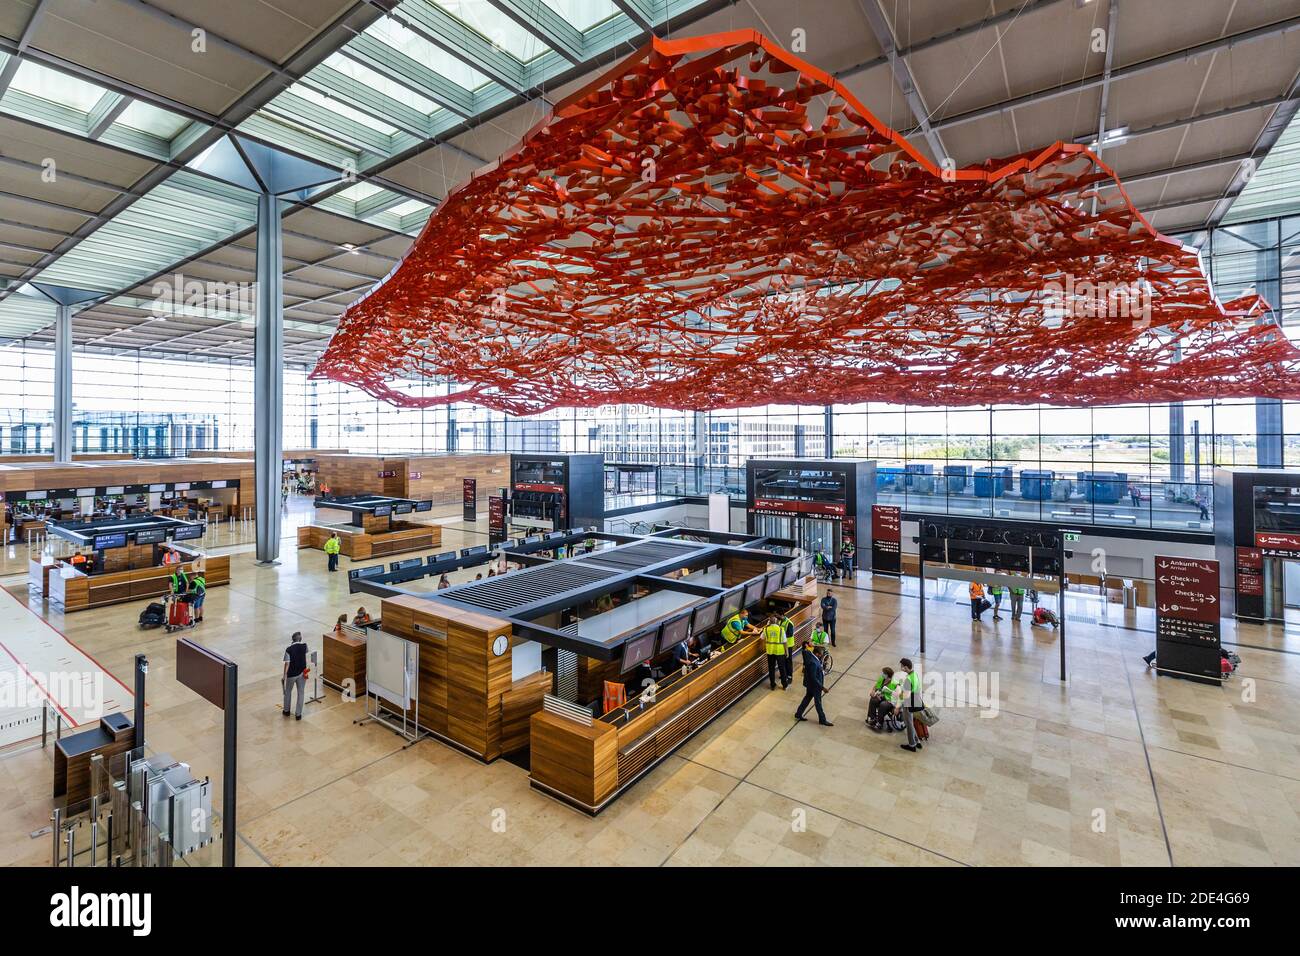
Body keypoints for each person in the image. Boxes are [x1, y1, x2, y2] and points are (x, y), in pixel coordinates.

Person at [794, 639, 832, 726]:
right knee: (818, 702)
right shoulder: (813, 663)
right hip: (815, 686)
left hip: (810, 685)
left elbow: (804, 650)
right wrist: (822, 687)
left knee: (807, 698)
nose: (821, 657)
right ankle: (822, 719)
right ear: (817, 654)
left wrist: (806, 645)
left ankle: (799, 713)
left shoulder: (809, 655)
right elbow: (813, 677)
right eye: (821, 655)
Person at [896, 658, 924, 752]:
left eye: (902, 667)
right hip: (915, 700)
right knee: (911, 722)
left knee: (909, 724)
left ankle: (912, 745)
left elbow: (905, 695)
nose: (901, 668)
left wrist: (899, 693)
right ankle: (917, 741)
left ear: (906, 667)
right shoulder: (914, 674)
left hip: (908, 703)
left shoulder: (908, 679)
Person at [282, 631, 308, 720]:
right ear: (300, 639)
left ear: (292, 639)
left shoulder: (288, 649)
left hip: (292, 674)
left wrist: (284, 676)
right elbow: (305, 652)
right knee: (301, 693)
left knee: (288, 692)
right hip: (302, 672)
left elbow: (287, 664)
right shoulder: (305, 646)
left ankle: (286, 711)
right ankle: (298, 714)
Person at [764, 615, 792, 690]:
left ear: (769, 622)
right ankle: (784, 685)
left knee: (771, 668)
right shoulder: (780, 629)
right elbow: (785, 642)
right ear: (777, 621)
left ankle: (772, 685)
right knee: (782, 668)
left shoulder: (766, 629)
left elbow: (762, 637)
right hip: (779, 652)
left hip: (770, 651)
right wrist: (787, 652)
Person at [865, 666, 897, 730]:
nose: (882, 674)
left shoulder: (894, 683)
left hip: (890, 700)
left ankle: (880, 723)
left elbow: (895, 695)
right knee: (873, 700)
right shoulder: (881, 679)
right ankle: (872, 718)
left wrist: (882, 696)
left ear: (888, 675)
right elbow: (876, 686)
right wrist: (873, 691)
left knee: (883, 704)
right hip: (881, 696)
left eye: (884, 673)